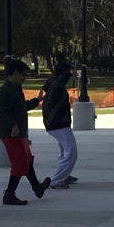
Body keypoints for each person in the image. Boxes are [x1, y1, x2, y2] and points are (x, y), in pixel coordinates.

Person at [0, 58, 50, 205]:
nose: (24, 78)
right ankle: (9, 194)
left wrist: (37, 100)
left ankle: (37, 188)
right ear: (14, 73)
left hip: (20, 133)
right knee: (19, 163)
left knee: (27, 160)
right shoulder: (4, 91)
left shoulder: (16, 89)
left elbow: (21, 107)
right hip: (10, 134)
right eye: (23, 75)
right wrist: (12, 125)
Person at [42, 61, 78, 189]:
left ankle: (64, 175)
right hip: (59, 124)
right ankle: (56, 180)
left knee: (65, 152)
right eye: (71, 70)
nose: (73, 72)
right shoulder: (57, 85)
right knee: (71, 152)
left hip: (55, 123)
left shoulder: (53, 82)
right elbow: (52, 104)